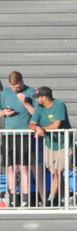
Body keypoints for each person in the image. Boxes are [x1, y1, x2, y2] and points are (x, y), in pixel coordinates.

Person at [31, 86, 72, 204]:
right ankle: (64, 197)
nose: (37, 100)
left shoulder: (59, 105)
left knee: (58, 171)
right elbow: (31, 124)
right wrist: (36, 128)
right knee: (55, 172)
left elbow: (56, 125)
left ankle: (50, 199)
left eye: (38, 97)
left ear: (44, 97)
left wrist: (41, 129)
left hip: (62, 143)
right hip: (49, 144)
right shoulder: (39, 107)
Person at [2, 74, 37, 206]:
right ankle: (11, 197)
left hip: (24, 135)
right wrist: (4, 113)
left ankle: (25, 199)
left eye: (17, 87)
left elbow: (36, 114)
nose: (15, 90)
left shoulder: (31, 92)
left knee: (24, 168)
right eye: (12, 87)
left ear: (22, 82)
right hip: (9, 135)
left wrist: (26, 102)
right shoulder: (5, 93)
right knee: (10, 168)